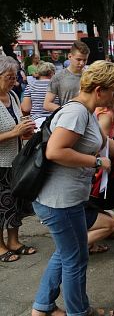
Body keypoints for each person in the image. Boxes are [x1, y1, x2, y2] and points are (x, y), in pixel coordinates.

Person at [31, 60, 114, 316]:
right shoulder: (76, 113)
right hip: (58, 201)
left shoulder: (84, 112)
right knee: (75, 259)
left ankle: (42, 307)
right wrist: (97, 162)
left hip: (67, 199)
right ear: (99, 90)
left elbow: (104, 142)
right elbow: (55, 151)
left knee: (66, 255)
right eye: (112, 92)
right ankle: (79, 311)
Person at [0, 56, 36, 263]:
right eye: (9, 77)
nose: (13, 82)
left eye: (14, 77)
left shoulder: (12, 95)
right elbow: (11, 130)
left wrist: (26, 129)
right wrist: (15, 132)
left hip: (15, 159)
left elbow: (18, 121)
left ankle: (14, 241)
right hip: (0, 162)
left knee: (14, 202)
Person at [43, 41, 90, 111]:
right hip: (68, 119)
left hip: (87, 118)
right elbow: (47, 104)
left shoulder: (90, 76)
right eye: (78, 59)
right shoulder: (58, 77)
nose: (82, 63)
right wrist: (67, 111)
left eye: (85, 60)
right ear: (69, 56)